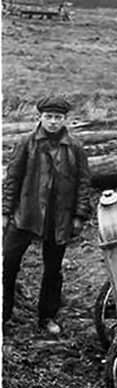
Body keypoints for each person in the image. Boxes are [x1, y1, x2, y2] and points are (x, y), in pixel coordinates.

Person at [3, 96, 92, 334]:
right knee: (8, 264)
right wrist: (5, 212)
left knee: (53, 270)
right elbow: (12, 179)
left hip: (58, 218)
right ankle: (3, 314)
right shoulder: (27, 143)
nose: (53, 122)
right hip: (26, 214)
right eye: (49, 117)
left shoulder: (74, 147)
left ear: (65, 119)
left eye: (58, 117)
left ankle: (47, 316)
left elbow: (84, 183)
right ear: (40, 117)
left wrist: (79, 216)